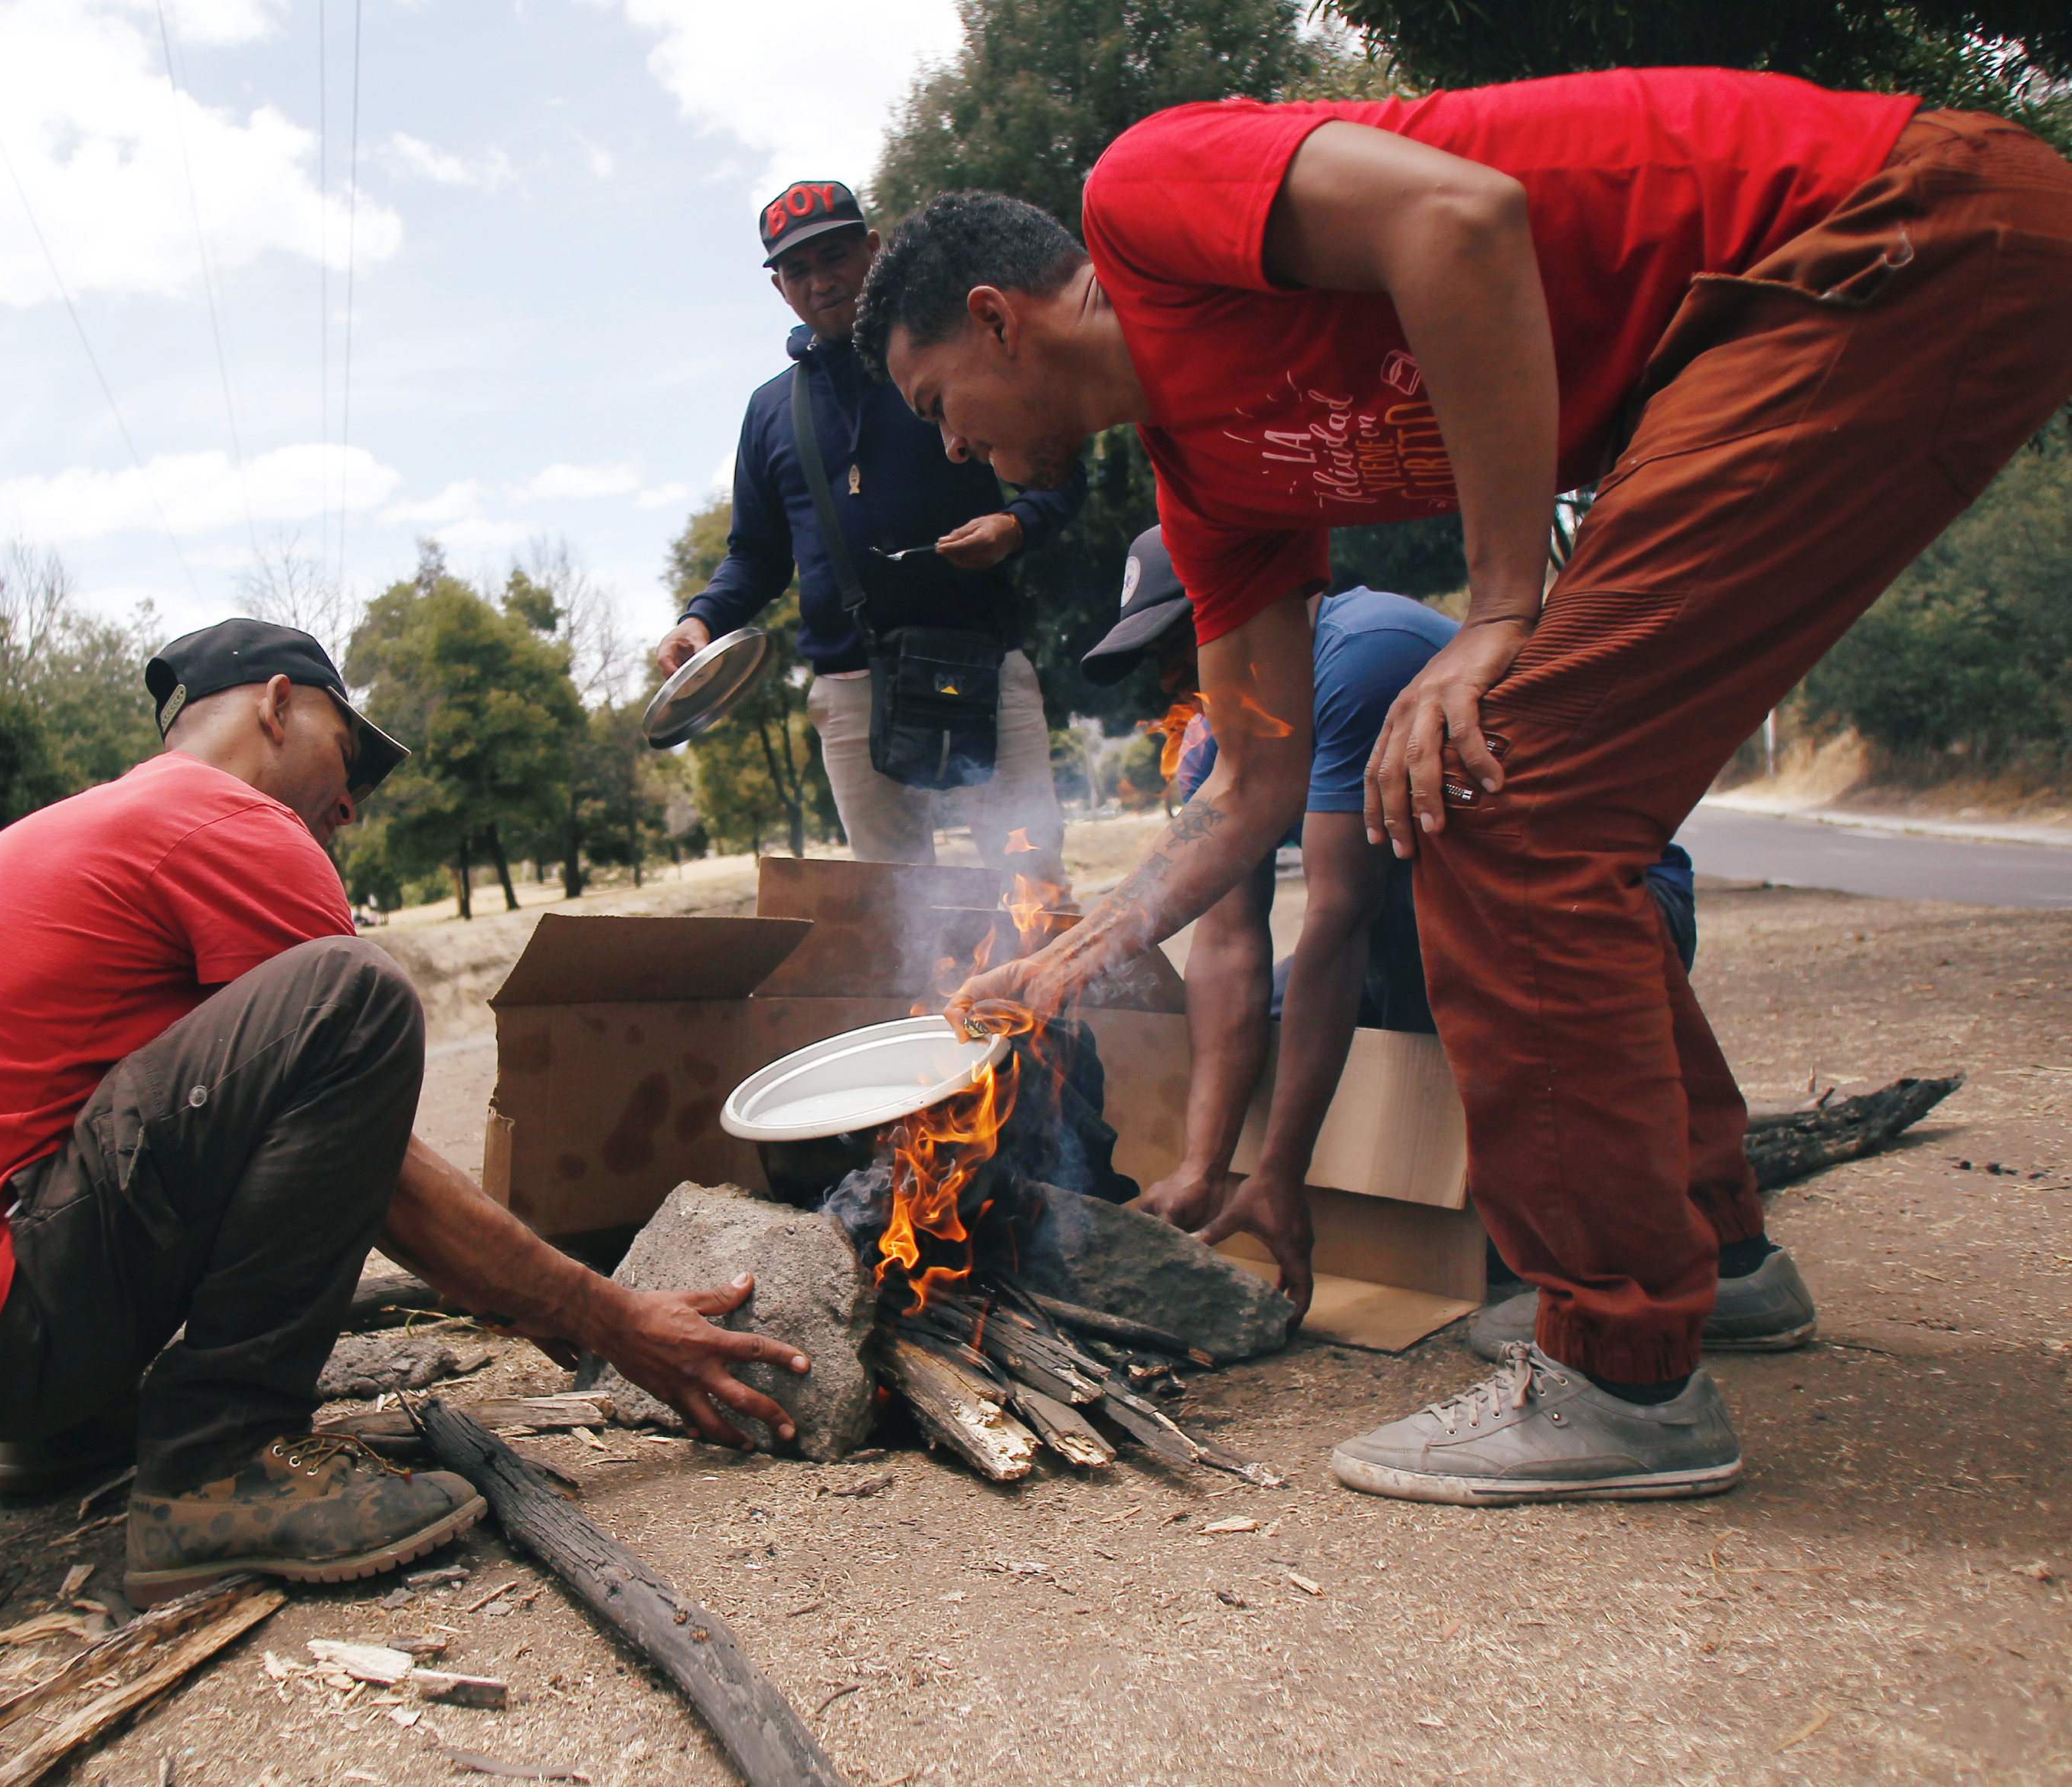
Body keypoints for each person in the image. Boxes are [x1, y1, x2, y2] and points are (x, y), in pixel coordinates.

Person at [855, 70, 2072, 1504]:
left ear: (999, 315)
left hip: (1874, 230)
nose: (951, 449)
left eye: (941, 404)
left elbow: (1463, 214)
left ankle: (1623, 1375)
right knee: (1525, 799)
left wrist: (1503, 608)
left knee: (1504, 798)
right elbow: (1248, 791)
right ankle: (1717, 1251)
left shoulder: (1146, 193)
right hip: (1795, 314)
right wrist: (1085, 945)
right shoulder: (1212, 490)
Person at [0, 620, 812, 1605]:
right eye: (347, 756)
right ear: (278, 703)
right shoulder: (226, 822)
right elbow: (389, 1182)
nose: (348, 805)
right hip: (3, 1306)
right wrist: (613, 1320)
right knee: (353, 997)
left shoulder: (108, 828)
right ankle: (221, 1463)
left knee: (253, 1047)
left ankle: (63, 1427)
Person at [1083, 528, 1719, 1333]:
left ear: (1264, 604)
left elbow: (1336, 917)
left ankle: (1581, 1223)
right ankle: (1436, 1190)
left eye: (1183, 641)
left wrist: (1281, 1166)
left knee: (1395, 911)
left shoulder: (1363, 654)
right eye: (1160, 660)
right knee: (1270, 1028)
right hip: (1422, 938)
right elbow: (1227, 944)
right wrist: (1200, 1167)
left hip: (1598, 918)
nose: (1175, 676)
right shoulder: (1215, 739)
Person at [659, 178, 1083, 876]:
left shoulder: (952, 351)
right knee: (890, 912)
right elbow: (755, 556)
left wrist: (1013, 524)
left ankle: (1045, 987)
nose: (822, 282)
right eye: (800, 270)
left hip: (981, 663)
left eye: (836, 256)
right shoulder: (770, 411)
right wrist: (701, 620)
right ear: (780, 289)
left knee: (1032, 885)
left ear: (875, 251)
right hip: (852, 689)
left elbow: (1063, 474)